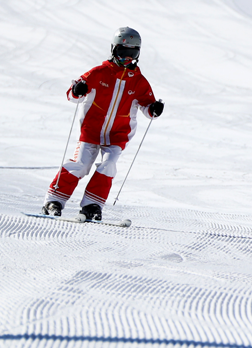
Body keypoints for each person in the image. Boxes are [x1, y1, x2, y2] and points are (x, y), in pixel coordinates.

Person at [42, 27, 164, 221]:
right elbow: (72, 96)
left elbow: (148, 107)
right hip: (91, 130)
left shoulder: (139, 81)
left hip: (118, 134)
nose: (127, 59)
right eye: (123, 53)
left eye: (131, 54)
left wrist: (154, 109)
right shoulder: (99, 73)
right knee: (80, 165)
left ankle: (92, 205)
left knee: (108, 165)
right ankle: (54, 200)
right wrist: (77, 89)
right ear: (114, 50)